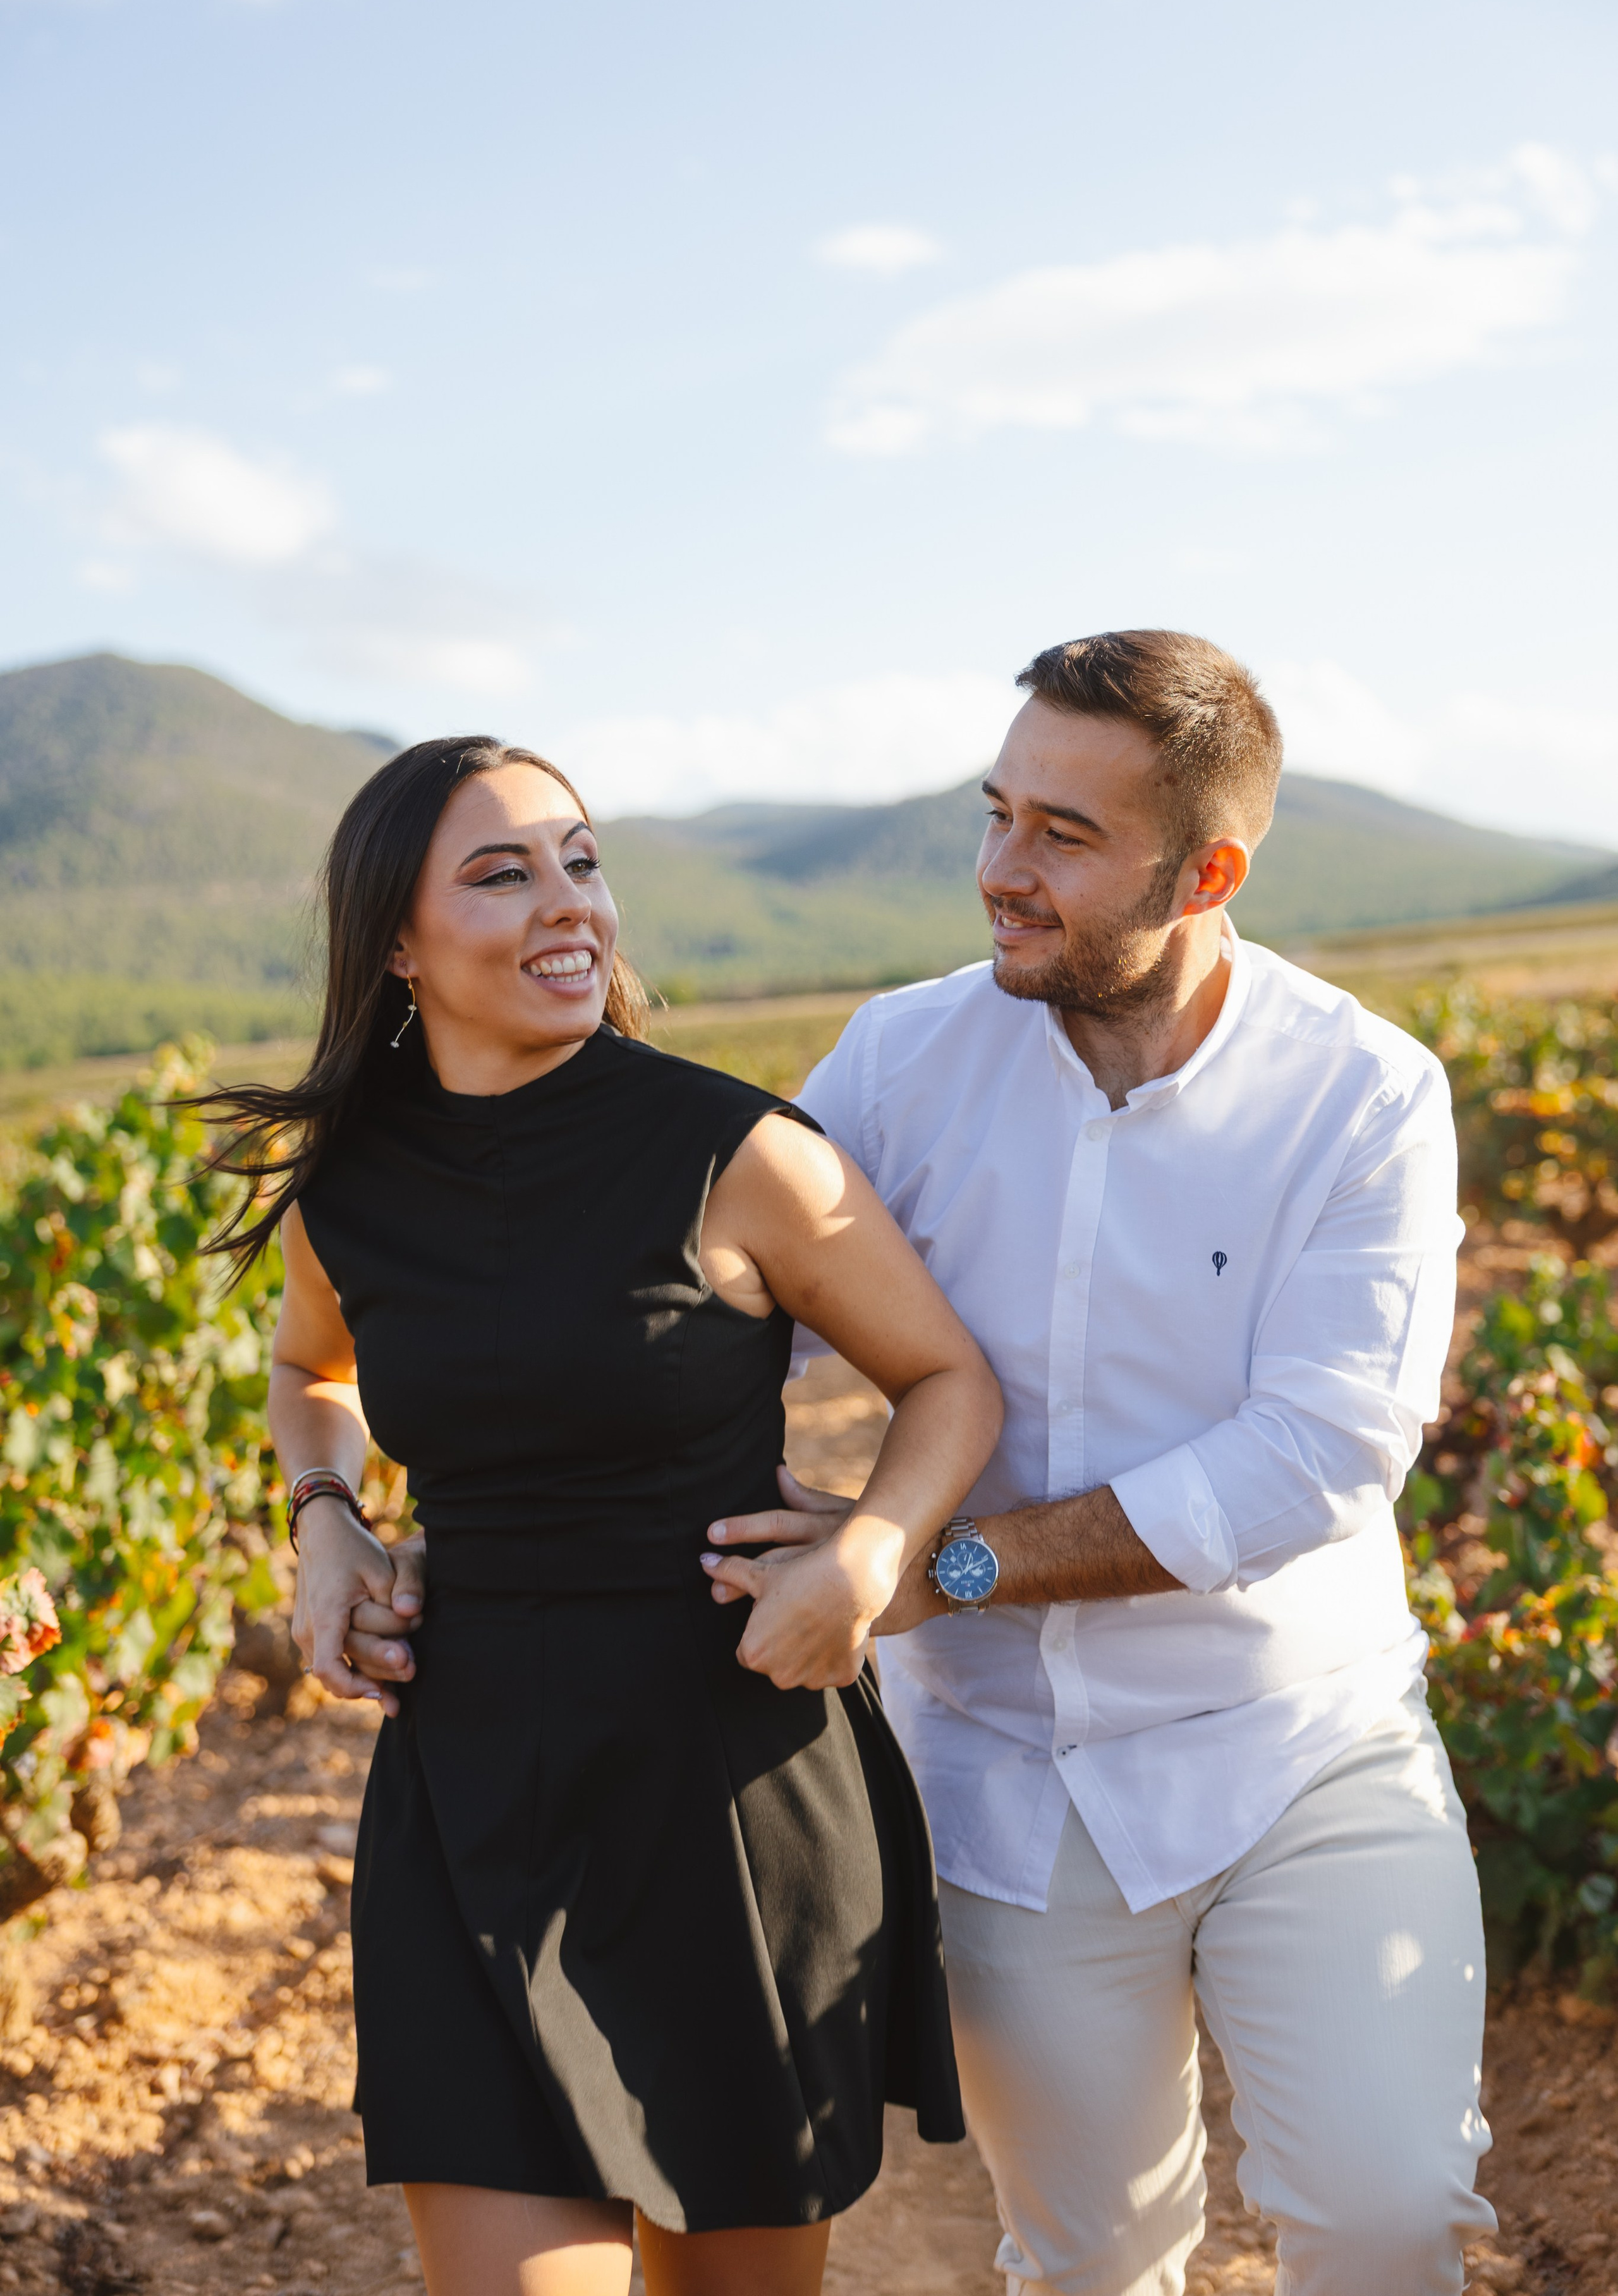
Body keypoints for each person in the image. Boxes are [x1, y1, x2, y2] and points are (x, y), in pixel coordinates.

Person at [705, 633, 1497, 2296]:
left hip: (1302, 1746)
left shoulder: (1363, 1095)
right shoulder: (903, 1061)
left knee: (1384, 2219)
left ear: (1208, 871)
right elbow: (719, 1317)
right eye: (998, 816)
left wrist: (936, 1566)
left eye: (1062, 837)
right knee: (1087, 2260)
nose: (1000, 872)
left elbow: (1320, 1453)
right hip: (1004, 1778)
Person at [199, 736, 1000, 2296]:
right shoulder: (349, 1188)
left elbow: (945, 1379)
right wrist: (325, 1515)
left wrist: (870, 1546)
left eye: (579, 859)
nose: (567, 904)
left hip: (730, 1785)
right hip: (470, 1787)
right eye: (501, 874)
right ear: (394, 946)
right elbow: (315, 1368)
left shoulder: (738, 1152)